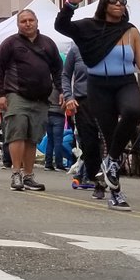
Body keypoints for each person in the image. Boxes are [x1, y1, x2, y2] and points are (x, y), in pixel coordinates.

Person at [55, 0, 140, 211]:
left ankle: (111, 161)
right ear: (104, 5)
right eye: (113, 1)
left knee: (134, 111)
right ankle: (116, 194)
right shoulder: (89, 27)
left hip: (125, 82)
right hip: (98, 86)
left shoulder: (130, 31)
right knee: (109, 134)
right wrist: (70, 5)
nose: (119, 4)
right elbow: (62, 26)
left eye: (122, 1)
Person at [0, 8, 64, 192]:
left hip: (41, 98)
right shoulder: (10, 43)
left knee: (33, 137)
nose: (28, 23)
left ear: (37, 21)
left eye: (31, 20)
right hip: (16, 94)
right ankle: (16, 173)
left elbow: (57, 68)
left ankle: (29, 175)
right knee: (18, 132)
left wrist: (62, 90)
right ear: (18, 24)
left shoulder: (48, 44)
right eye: (23, 21)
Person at [61, 45, 104, 199]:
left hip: (106, 100)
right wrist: (69, 97)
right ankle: (97, 180)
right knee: (89, 144)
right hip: (83, 101)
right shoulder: (75, 50)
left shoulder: (110, 46)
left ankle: (112, 180)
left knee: (110, 142)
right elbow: (65, 75)